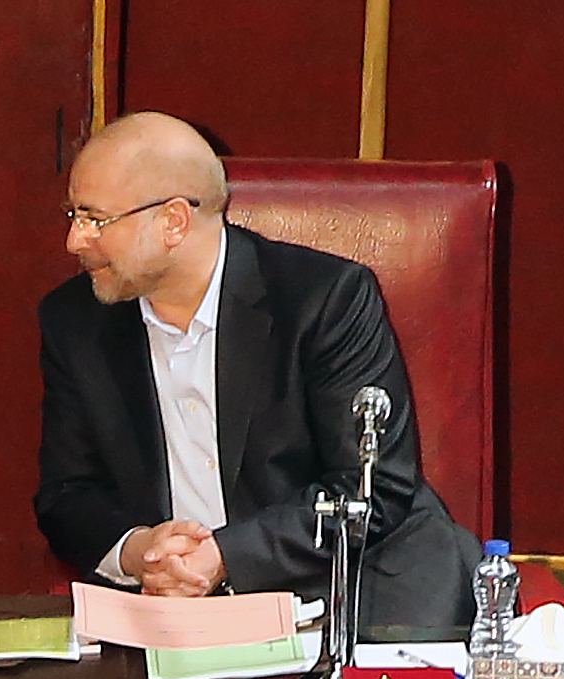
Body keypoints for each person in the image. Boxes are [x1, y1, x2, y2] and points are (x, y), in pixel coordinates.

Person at [35, 111, 479, 625]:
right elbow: (68, 495)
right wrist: (140, 550)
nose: (75, 241)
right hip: (171, 612)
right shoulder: (76, 321)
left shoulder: (324, 299)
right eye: (74, 215)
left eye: (95, 219)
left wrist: (226, 555)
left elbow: (371, 489)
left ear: (174, 221)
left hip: (345, 591)